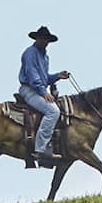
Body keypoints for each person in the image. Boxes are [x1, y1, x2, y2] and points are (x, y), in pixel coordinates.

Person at [17, 25, 70, 169]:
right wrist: (43, 91)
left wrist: (57, 76)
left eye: (47, 40)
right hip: (29, 90)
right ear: (37, 39)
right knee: (53, 111)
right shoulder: (30, 53)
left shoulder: (45, 57)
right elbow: (33, 75)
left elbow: (44, 77)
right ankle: (41, 149)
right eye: (43, 39)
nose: (45, 42)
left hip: (37, 89)